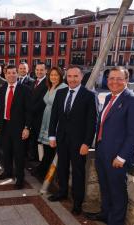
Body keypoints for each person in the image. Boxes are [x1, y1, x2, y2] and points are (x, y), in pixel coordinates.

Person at [85, 67, 134, 224]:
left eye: (119, 78)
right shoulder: (108, 98)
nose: (114, 82)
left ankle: (116, 221)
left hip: (117, 157)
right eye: (111, 78)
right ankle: (105, 214)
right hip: (102, 153)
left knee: (117, 191)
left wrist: (121, 157)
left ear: (126, 80)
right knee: (105, 187)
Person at [48, 65, 97, 215]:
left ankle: (77, 203)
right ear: (66, 77)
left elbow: (92, 122)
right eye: (69, 76)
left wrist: (87, 143)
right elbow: (54, 116)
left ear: (81, 77)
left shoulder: (89, 95)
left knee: (78, 173)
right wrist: (52, 136)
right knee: (62, 168)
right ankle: (62, 192)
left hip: (79, 143)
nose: (72, 79)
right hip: (61, 139)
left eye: (76, 76)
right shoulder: (61, 92)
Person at [0, 65, 31, 189]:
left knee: (19, 153)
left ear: (17, 74)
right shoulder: (3, 88)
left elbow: (28, 111)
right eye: (8, 73)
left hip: (19, 127)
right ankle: (7, 172)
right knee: (6, 152)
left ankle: (20, 178)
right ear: (5, 75)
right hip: (5, 125)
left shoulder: (25, 89)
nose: (11, 75)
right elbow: (0, 108)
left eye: (13, 73)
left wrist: (27, 127)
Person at [35, 67, 67, 178]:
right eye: (51, 75)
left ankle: (44, 171)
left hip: (55, 121)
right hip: (46, 119)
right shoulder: (51, 86)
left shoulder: (63, 88)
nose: (53, 77)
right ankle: (42, 169)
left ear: (60, 76)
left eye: (56, 75)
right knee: (46, 147)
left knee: (50, 148)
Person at [28, 63, 48, 162]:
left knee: (39, 141)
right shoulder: (33, 82)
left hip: (40, 117)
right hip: (32, 117)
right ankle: (34, 159)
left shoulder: (47, 83)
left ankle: (39, 161)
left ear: (45, 71)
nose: (39, 72)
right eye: (37, 70)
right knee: (34, 139)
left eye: (41, 70)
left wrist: (29, 110)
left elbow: (42, 102)